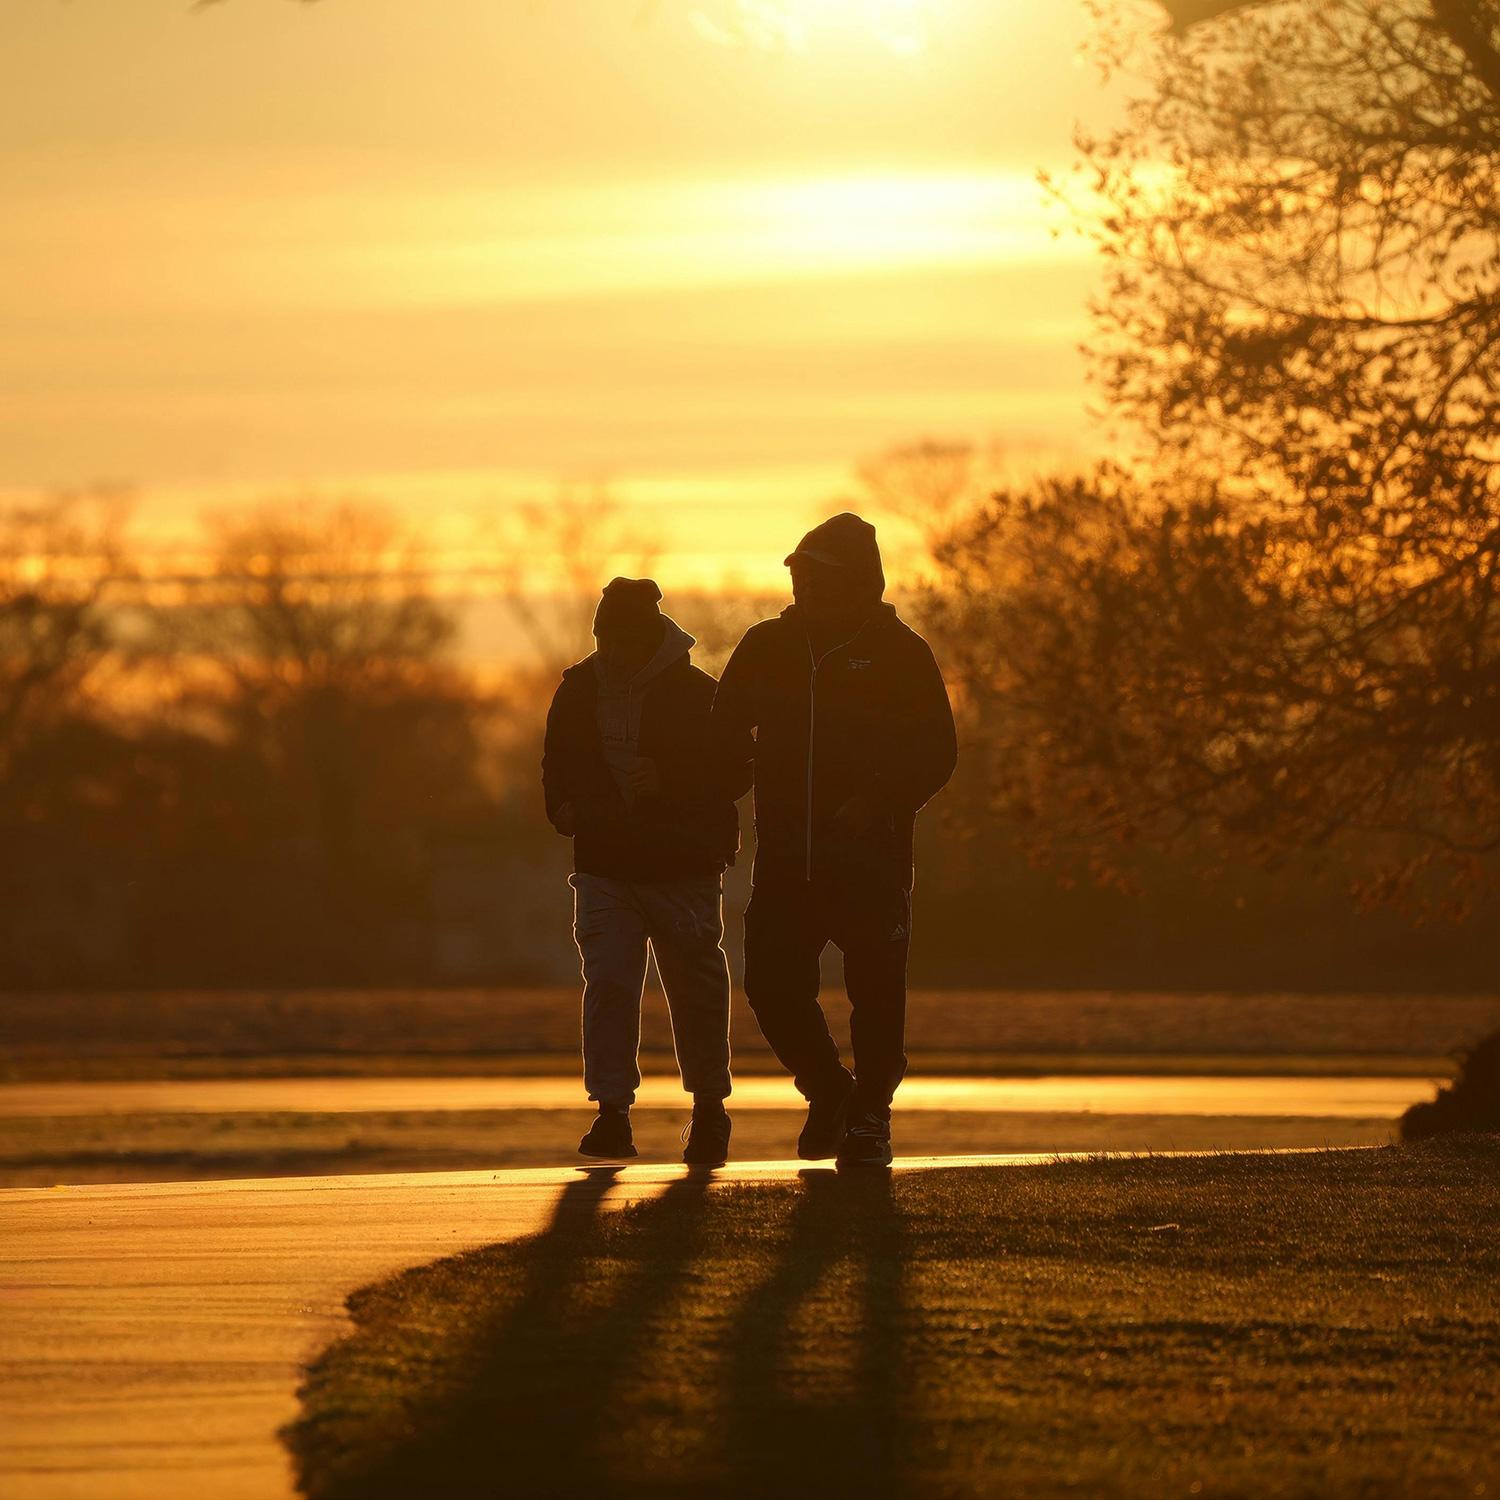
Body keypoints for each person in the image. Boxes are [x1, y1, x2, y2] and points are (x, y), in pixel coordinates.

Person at [711, 514, 957, 1167]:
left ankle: (872, 1115)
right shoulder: (767, 645)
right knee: (769, 984)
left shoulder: (902, 653)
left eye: (819, 577)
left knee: (876, 999)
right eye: (798, 576)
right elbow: (724, 734)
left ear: (858, 581)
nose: (805, 589)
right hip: (788, 860)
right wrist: (716, 787)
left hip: (870, 863)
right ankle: (829, 1091)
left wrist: (877, 803)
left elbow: (936, 751)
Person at [542, 577, 748, 1165]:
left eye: (620, 642)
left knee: (696, 987)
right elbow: (555, 765)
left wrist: (670, 784)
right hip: (605, 865)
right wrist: (565, 810)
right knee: (609, 983)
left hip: (682, 865)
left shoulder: (697, 694)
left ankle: (710, 1110)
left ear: (648, 638)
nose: (611, 654)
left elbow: (736, 771)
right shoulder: (578, 691)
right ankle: (612, 1115)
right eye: (603, 640)